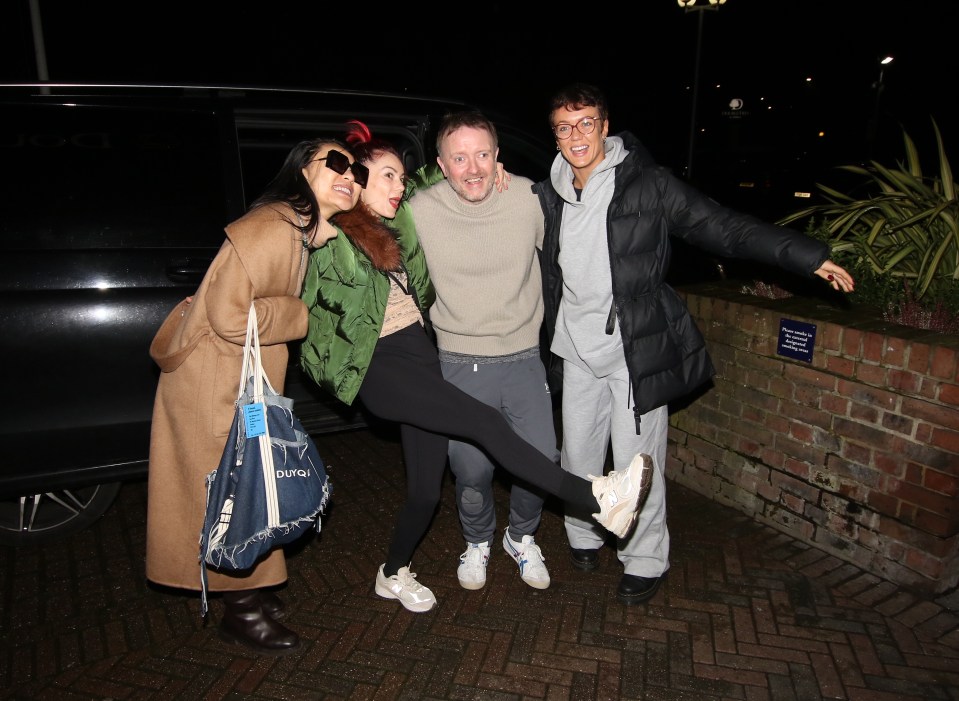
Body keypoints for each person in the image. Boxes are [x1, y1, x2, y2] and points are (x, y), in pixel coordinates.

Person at [299, 120, 653, 614]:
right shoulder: (326, 231)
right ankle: (598, 498)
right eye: (386, 177)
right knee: (483, 428)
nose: (399, 186)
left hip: (420, 362)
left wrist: (482, 166)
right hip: (378, 369)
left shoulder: (396, 218)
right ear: (354, 181)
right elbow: (280, 246)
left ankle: (392, 573)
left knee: (425, 493)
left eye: (402, 177)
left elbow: (439, 174)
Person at [532, 83, 855, 606]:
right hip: (574, 346)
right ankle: (584, 534)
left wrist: (804, 256)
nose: (577, 136)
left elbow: (721, 227)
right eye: (565, 127)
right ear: (555, 135)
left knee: (637, 464)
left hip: (635, 349)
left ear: (605, 126)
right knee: (579, 454)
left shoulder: (648, 184)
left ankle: (644, 557)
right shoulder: (548, 193)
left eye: (586, 122)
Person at [146, 138, 367, 655]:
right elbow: (228, 317)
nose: (349, 175)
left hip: (234, 378)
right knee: (237, 487)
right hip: (216, 384)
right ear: (300, 172)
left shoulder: (297, 230)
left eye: (355, 169)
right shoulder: (273, 227)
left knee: (248, 479)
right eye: (334, 163)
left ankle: (251, 592)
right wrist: (298, 316)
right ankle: (242, 611)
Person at [409, 111, 556, 592]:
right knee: (471, 471)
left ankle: (520, 537)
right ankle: (477, 541)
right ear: (441, 164)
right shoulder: (421, 210)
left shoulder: (528, 199)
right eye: (459, 157)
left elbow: (572, 245)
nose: (472, 168)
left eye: (483, 154)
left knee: (542, 462)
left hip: (522, 358)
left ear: (498, 158)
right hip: (459, 361)